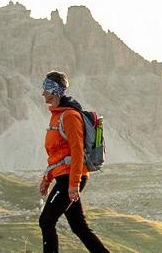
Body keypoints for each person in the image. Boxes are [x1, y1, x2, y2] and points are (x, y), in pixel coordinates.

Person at [38, 71, 110, 253]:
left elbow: (77, 151)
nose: (43, 93)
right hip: (64, 176)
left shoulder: (69, 116)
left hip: (70, 177)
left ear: (54, 90)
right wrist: (47, 178)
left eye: (45, 88)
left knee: (46, 221)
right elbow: (57, 153)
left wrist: (73, 184)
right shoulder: (56, 115)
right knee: (79, 227)